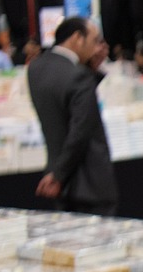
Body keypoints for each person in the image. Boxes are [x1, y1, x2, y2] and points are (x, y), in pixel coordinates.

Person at [27, 17, 118, 215]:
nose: (98, 47)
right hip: (88, 181)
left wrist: (57, 174)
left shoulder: (35, 68)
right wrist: (59, 176)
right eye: (95, 40)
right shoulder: (79, 76)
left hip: (56, 172)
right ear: (77, 38)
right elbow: (80, 131)